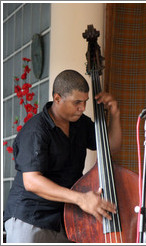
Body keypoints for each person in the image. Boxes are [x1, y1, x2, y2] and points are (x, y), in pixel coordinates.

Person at [4, 70, 122, 243]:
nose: (82, 108)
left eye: (85, 102)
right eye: (77, 102)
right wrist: (81, 199)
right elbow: (31, 181)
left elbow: (111, 146)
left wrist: (115, 114)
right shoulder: (36, 130)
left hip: (65, 218)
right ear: (57, 98)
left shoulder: (81, 124)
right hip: (30, 217)